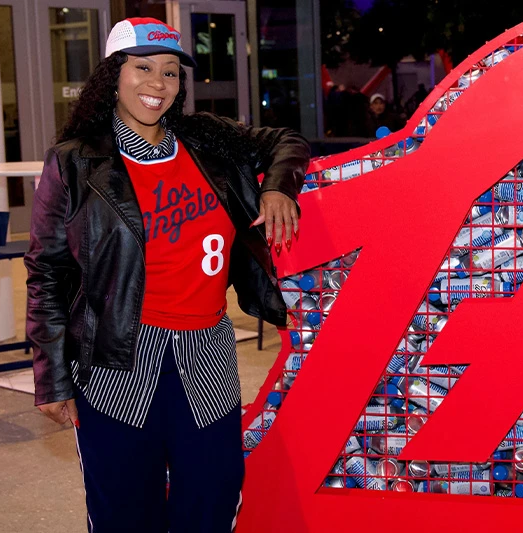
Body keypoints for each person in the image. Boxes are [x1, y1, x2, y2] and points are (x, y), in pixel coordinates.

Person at [26, 18, 310, 531]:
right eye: (143, 68)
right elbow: (47, 272)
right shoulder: (74, 162)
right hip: (116, 362)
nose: (159, 83)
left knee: (212, 501)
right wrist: (51, 376)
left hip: (210, 356)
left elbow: (286, 140)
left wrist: (280, 187)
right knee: (123, 513)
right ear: (113, 75)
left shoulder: (207, 140)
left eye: (171, 72)